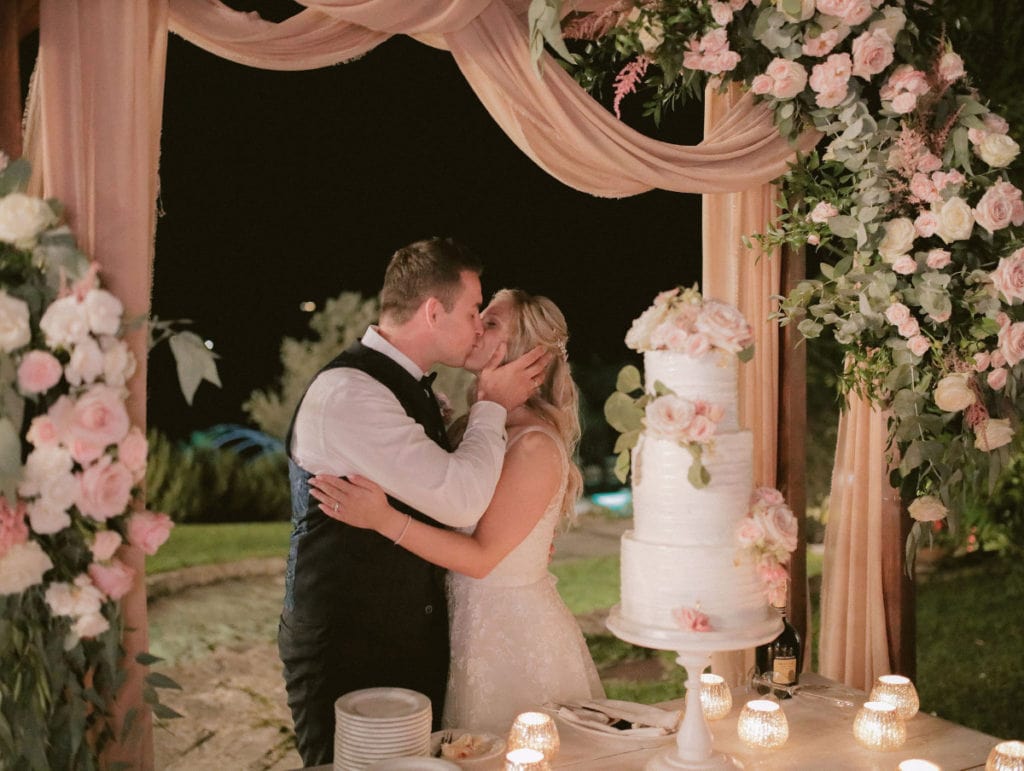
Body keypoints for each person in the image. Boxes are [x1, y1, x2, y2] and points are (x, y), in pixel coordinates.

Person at [278, 238, 548, 766]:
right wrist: (491, 406)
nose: (476, 326)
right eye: (474, 310)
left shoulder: (402, 387)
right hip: (347, 646)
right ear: (432, 311)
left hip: (401, 639)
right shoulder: (351, 395)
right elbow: (462, 501)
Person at [311, 288, 605, 735]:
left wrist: (382, 518)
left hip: (511, 640)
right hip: (464, 626)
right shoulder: (478, 426)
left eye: (489, 323)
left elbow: (482, 558)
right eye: (477, 316)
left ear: (526, 354)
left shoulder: (534, 447)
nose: (474, 327)